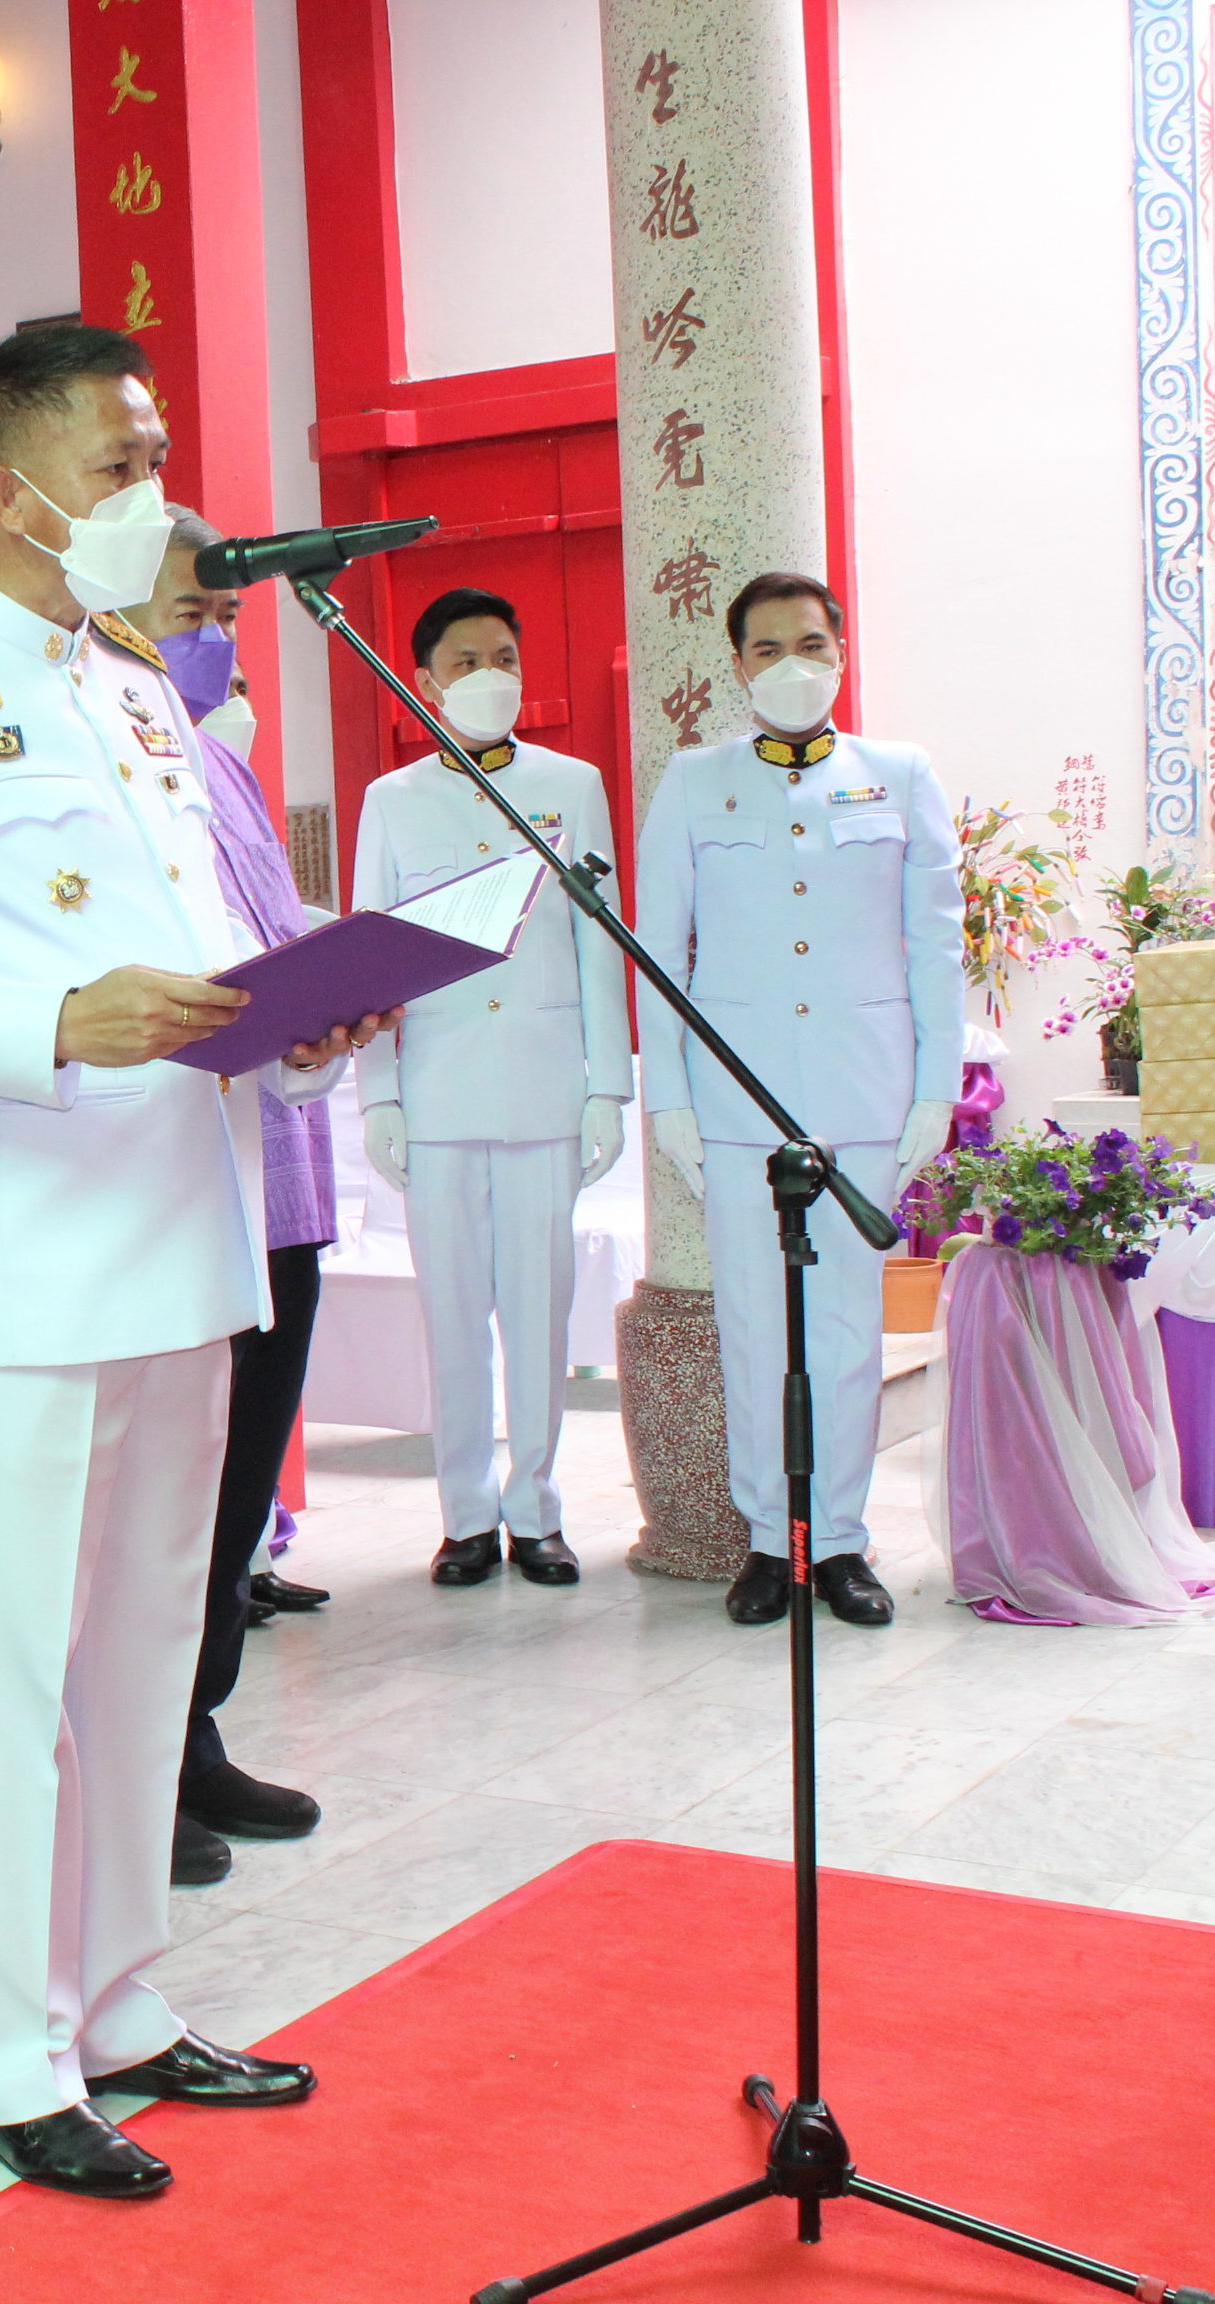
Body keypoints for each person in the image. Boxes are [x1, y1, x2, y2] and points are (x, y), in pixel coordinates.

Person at [0, 324, 392, 2202]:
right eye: (119, 462)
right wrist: (63, 1014)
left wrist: (288, 1018)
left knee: (141, 1657)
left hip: (180, 1236)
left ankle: (118, 2000)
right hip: (23, 1262)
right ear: (11, 480)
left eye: (153, 454)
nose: (155, 495)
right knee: (13, 1667)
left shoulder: (131, 687)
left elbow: (188, 946)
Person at [639, 571, 958, 1628]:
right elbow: (660, 957)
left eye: (810, 643)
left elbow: (933, 946)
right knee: (753, 1324)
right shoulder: (693, 783)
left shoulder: (899, 775)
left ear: (842, 651)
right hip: (738, 1100)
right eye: (766, 647)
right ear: (736, 665)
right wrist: (671, 1101)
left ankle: (846, 1545)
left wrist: (932, 1091)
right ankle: (771, 1543)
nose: (791, 664)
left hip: (865, 1091)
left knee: (847, 1331)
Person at [121, 516, 336, 1889]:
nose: (217, 639)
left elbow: (270, 930)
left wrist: (341, 983)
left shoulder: (221, 762)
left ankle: (194, 1727)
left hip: (279, 1176)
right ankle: (132, 1769)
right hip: (172, 1176)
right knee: (164, 1501)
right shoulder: (95, 770)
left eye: (229, 619)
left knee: (239, 1488)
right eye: (193, 612)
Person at [353, 587, 632, 1591]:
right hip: (437, 1089)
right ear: (423, 681)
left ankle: (537, 1509)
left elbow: (599, 936)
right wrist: (379, 1096)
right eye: (466, 661)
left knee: (540, 1308)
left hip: (543, 1086)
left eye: (504, 656)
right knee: (453, 1314)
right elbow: (369, 959)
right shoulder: (393, 802)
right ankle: (465, 1515)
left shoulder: (572, 784)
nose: (490, 676)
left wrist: (608, 1085)